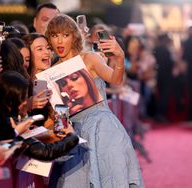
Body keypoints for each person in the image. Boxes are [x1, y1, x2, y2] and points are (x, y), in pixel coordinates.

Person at [45, 14, 144, 188]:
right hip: (74, 136)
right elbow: (58, 114)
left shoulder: (89, 58)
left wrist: (120, 57)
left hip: (103, 130)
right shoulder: (51, 72)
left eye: (65, 35)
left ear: (74, 36)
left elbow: (115, 79)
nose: (59, 41)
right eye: (54, 35)